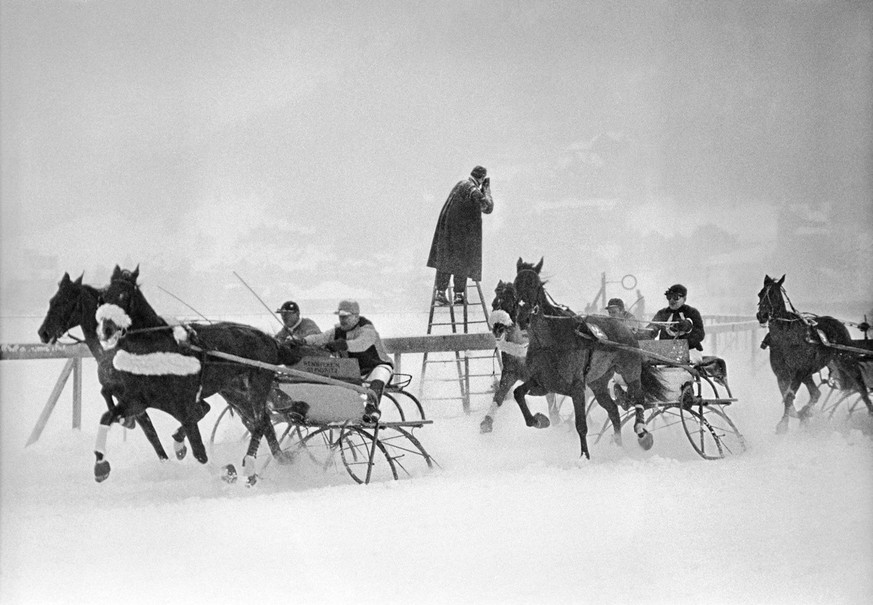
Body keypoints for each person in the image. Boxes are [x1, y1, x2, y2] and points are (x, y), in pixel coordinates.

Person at [300, 300, 393, 423]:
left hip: (378, 366)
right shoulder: (337, 331)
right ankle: (340, 412)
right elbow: (320, 338)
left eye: (345, 317)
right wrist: (303, 342)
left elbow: (361, 344)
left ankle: (372, 409)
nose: (342, 320)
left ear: (356, 316)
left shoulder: (367, 330)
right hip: (355, 371)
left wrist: (343, 344)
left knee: (378, 377)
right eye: (340, 317)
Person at [426, 165, 494, 306]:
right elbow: (487, 207)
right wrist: (487, 190)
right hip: (462, 236)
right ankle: (458, 295)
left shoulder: (461, 185)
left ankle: (440, 294)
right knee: (462, 263)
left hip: (448, 234)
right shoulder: (472, 189)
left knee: (446, 263)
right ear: (481, 178)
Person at [648, 284, 705, 363]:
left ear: (684, 299)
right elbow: (652, 326)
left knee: (685, 365)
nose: (671, 300)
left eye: (675, 297)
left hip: (689, 351)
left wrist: (687, 328)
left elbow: (700, 334)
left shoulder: (692, 312)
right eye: (669, 297)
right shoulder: (662, 313)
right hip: (666, 352)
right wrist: (648, 331)